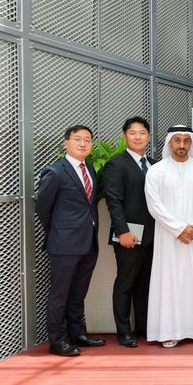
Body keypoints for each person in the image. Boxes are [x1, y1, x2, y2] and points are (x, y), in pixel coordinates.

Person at [144, 126, 193, 347]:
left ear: (191, 144)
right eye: (177, 140)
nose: (182, 145)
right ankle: (169, 330)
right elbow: (154, 204)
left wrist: (192, 228)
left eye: (186, 141)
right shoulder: (156, 171)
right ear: (169, 143)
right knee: (169, 283)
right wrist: (178, 229)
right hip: (169, 238)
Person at [34, 125, 103, 357]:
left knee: (78, 292)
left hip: (89, 242)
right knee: (60, 294)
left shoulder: (89, 168)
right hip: (64, 244)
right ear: (66, 143)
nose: (83, 144)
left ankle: (77, 334)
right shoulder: (55, 172)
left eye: (87, 140)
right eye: (77, 139)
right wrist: (60, 232)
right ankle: (57, 341)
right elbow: (42, 207)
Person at [103, 117, 157, 348]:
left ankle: (143, 327)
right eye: (133, 133)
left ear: (148, 137)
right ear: (125, 136)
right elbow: (114, 202)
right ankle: (124, 332)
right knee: (126, 283)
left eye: (142, 133)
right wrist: (122, 231)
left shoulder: (155, 164)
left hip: (154, 235)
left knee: (146, 284)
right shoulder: (116, 164)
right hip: (129, 235)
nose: (138, 137)